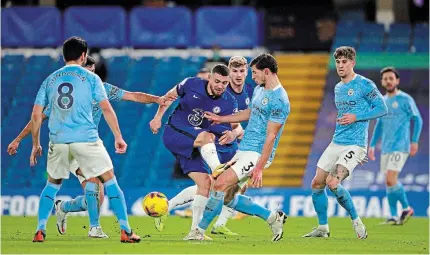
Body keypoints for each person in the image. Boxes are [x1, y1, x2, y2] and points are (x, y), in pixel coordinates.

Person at [7, 56, 171, 238]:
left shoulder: (100, 87)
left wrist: (157, 99)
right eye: (86, 68)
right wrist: (19, 139)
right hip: (76, 142)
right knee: (97, 181)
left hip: (77, 142)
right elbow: (39, 117)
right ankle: (97, 228)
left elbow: (132, 95)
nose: (88, 72)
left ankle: (63, 207)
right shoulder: (72, 91)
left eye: (91, 69)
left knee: (97, 196)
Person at [29, 37, 140, 243]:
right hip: (86, 139)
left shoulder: (50, 80)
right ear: (83, 56)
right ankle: (125, 230)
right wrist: (118, 137)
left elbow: (36, 115)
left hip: (58, 140)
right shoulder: (91, 78)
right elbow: (106, 108)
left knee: (52, 185)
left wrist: (35, 144)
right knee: (110, 181)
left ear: (63, 56)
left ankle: (40, 229)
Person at [195, 53, 290, 242]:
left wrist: (260, 168)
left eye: (254, 73)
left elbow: (271, 136)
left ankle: (198, 231)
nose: (252, 77)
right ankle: (273, 217)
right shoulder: (259, 90)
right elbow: (248, 113)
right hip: (244, 148)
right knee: (228, 196)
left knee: (220, 184)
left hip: (257, 153)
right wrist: (221, 119)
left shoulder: (280, 99)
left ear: (266, 71)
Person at [157, 56, 255, 236]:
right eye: (217, 81)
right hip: (177, 133)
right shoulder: (192, 84)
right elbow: (167, 97)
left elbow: (236, 126)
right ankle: (217, 169)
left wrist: (233, 133)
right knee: (208, 140)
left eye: (224, 83)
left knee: (206, 183)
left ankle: (194, 231)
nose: (220, 86)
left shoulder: (231, 100)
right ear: (209, 78)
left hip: (202, 143)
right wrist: (157, 118)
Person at [302, 46, 388, 239]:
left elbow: (382, 109)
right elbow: (344, 118)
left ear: (352, 63)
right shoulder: (338, 87)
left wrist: (357, 119)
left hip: (355, 143)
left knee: (333, 182)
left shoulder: (365, 84)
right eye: (338, 62)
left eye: (344, 62)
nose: (340, 66)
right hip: (337, 142)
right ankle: (323, 228)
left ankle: (357, 222)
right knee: (317, 183)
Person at [368, 67, 422, 225]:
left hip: (401, 145)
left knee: (391, 178)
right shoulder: (382, 102)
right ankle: (393, 215)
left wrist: (414, 141)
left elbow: (417, 119)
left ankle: (406, 208)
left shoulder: (405, 99)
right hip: (386, 147)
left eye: (391, 78)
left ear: (397, 81)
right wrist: (371, 145)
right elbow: (379, 125)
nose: (388, 81)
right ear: (382, 82)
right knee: (388, 181)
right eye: (385, 78)